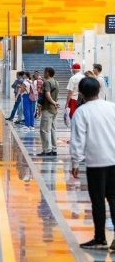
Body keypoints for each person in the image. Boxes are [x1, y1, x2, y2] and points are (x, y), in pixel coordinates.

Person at [70, 77, 115, 250]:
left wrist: (75, 162)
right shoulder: (111, 107)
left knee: (98, 201)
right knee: (113, 198)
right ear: (98, 90)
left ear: (80, 93)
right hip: (114, 160)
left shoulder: (81, 112)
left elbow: (78, 140)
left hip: (96, 163)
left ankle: (100, 238)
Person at [37, 67, 60, 156]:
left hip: (48, 108)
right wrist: (55, 103)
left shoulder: (47, 82)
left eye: (45, 72)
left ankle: (47, 150)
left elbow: (47, 94)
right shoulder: (56, 82)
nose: (44, 73)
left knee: (44, 130)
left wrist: (53, 102)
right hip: (54, 110)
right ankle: (54, 149)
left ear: (47, 73)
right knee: (53, 129)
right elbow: (56, 95)